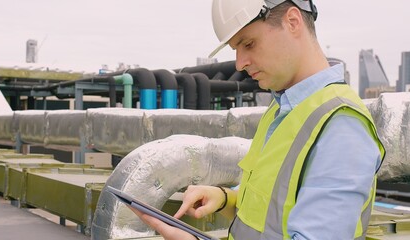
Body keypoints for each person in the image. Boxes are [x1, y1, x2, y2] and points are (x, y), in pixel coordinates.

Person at [131, 0, 385, 239]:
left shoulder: (341, 126)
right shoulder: (283, 110)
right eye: (236, 49)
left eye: (249, 44)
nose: (240, 64)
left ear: (293, 22)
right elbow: (272, 208)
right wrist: (225, 198)